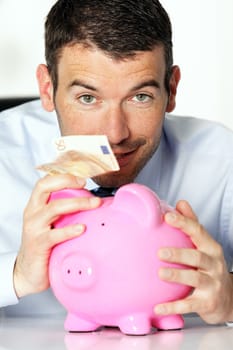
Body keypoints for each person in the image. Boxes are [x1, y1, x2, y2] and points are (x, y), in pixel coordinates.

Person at [1, 0, 233, 325]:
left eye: (140, 97)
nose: (115, 133)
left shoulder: (221, 157)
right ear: (47, 88)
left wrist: (231, 297)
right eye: (87, 98)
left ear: (172, 88)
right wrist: (17, 274)